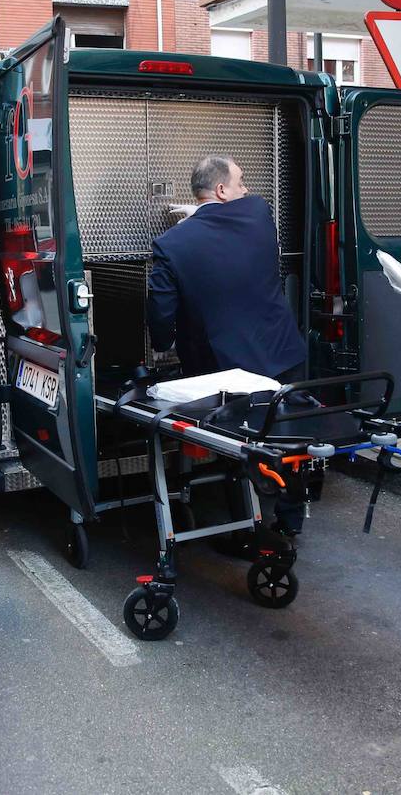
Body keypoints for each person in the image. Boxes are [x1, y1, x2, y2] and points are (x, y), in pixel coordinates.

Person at [148, 156, 309, 533]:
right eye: (241, 182)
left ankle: (242, 523)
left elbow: (160, 311)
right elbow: (229, 217)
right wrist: (202, 214)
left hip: (223, 371)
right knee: (290, 436)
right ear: (222, 191)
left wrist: (163, 343)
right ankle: (289, 519)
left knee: (234, 445)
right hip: (280, 355)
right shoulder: (258, 215)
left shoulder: (171, 244)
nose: (247, 190)